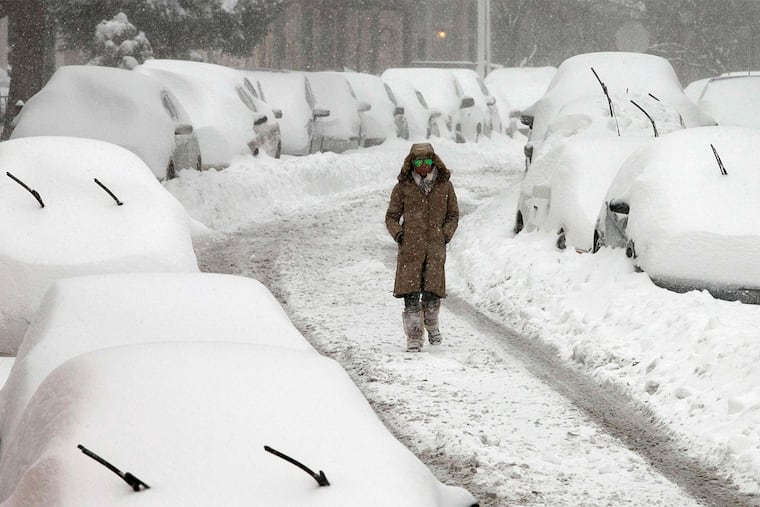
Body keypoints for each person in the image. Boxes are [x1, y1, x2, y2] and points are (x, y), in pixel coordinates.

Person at [385, 142, 459, 352]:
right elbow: (391, 216)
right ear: (412, 163)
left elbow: (453, 214)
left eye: (428, 161)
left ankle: (432, 324)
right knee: (411, 296)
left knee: (431, 294)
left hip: (435, 249)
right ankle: (414, 336)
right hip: (410, 250)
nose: (424, 166)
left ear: (434, 162)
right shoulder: (403, 188)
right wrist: (399, 234)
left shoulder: (445, 186)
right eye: (419, 161)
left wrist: (445, 234)